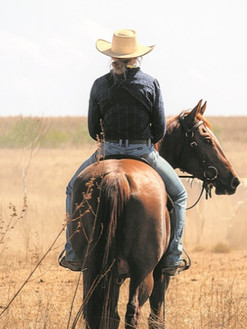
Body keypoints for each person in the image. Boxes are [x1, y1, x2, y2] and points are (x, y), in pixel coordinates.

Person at [59, 29, 189, 276]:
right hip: (143, 152)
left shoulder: (99, 84)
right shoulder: (151, 83)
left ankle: (73, 253)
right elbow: (160, 128)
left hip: (106, 150)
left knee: (71, 188)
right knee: (180, 195)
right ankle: (173, 255)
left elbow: (91, 128)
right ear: (136, 57)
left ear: (112, 56)